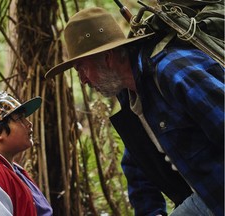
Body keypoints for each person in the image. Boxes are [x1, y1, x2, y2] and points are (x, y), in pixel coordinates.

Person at [45, 7, 224, 216]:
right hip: (204, 197)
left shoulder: (171, 71)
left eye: (82, 69)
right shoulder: (130, 95)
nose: (83, 80)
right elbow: (138, 167)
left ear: (108, 57)